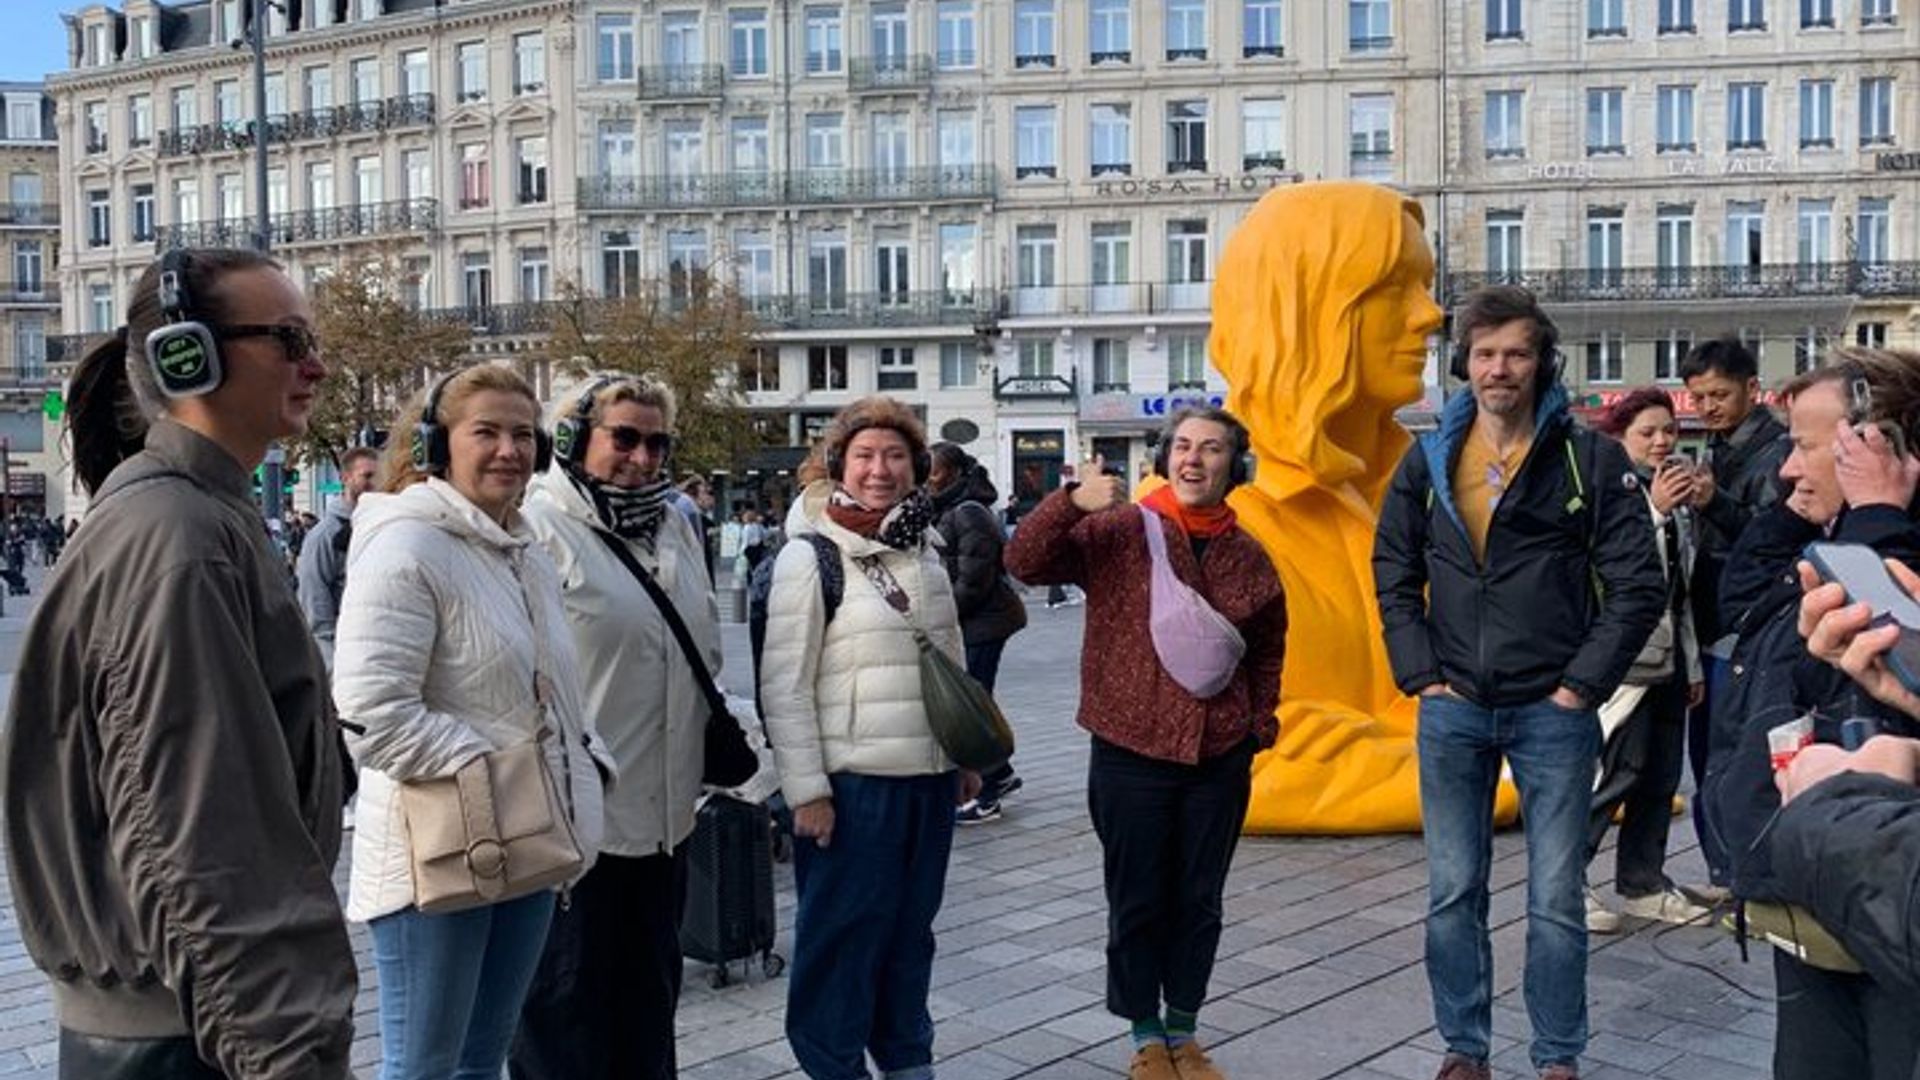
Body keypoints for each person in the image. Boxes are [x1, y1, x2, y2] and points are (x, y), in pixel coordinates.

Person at [2, 248, 354, 1078]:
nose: (317, 363)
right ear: (187, 355)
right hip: (189, 1033)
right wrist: (286, 1054)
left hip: (189, 1018)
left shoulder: (198, 516)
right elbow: (198, 839)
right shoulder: (178, 538)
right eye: (290, 337)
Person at [1372, 286, 1665, 1080]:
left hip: (1552, 709)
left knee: (1556, 899)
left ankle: (1557, 1056)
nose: (1500, 369)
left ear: (1544, 361)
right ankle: (1464, 1048)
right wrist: (1418, 672)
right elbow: (1393, 564)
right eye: (1486, 354)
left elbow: (1639, 583)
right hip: (1453, 705)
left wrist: (1581, 685)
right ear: (1464, 362)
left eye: (1517, 353)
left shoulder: (1588, 456)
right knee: (1451, 891)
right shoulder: (1428, 453)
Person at [333, 363, 611, 1080]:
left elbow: (549, 689)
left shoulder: (522, 550)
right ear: (435, 445)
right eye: (485, 432)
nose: (509, 451)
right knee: (424, 1067)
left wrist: (582, 759)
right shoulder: (404, 544)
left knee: (482, 1061)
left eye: (524, 435)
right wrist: (488, 770)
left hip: (526, 839)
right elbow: (369, 710)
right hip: (435, 854)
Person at [1005, 407, 1288, 1080]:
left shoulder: (1249, 553)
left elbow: (1269, 647)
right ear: (1165, 457)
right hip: (1129, 746)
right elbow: (1024, 559)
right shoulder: (1120, 531)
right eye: (1184, 446)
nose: (1194, 459)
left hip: (1217, 755)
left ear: (1233, 466)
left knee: (1199, 899)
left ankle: (1185, 1031)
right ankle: (1145, 1035)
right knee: (1137, 897)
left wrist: (1258, 724)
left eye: (1212, 449)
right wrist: (1071, 501)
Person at [1703, 348, 1920, 1080]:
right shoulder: (1824, 536)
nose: (1788, 468)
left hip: (1884, 894)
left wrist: (1880, 517)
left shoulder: (1888, 544)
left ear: (1874, 445)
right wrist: (1802, 511)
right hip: (1807, 877)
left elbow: (1878, 652)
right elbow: (1746, 603)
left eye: (1803, 445)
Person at [758, 396, 977, 1080]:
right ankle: (834, 1064)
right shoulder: (811, 556)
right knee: (840, 944)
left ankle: (910, 1062)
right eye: (864, 455)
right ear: (839, 466)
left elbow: (950, 654)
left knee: (909, 941)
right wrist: (807, 792)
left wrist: (964, 755)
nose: (880, 469)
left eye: (894, 455)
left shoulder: (927, 546)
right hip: (853, 790)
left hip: (928, 781)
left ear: (917, 467)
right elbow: (785, 687)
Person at [510, 374, 716, 1080]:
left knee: (649, 1008)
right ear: (570, 437)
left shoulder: (676, 525)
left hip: (665, 822)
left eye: (658, 442)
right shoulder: (534, 526)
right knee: (566, 1015)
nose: (643, 456)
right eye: (623, 437)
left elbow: (704, 652)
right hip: (574, 829)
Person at [1582, 389, 1710, 933]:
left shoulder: (1676, 500)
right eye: (1647, 433)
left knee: (1660, 775)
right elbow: (1619, 576)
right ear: (1620, 437)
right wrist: (1655, 513)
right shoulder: (1610, 493)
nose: (1661, 442)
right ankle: (1568, 881)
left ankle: (1643, 882)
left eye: (1668, 431)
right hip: (1625, 661)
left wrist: (1693, 665)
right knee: (1615, 771)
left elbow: (1679, 589)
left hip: (1668, 659)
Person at [1678, 335, 1790, 885]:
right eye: (1698, 397)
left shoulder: (1776, 451)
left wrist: (1713, 503)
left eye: (1718, 394)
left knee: (1729, 756)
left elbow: (1769, 540)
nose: (1707, 407)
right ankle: (1724, 869)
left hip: (1742, 629)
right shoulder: (1723, 446)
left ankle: (1733, 871)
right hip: (1714, 625)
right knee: (1709, 756)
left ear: (1752, 388)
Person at [928, 442, 1029, 825]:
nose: (928, 480)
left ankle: (984, 795)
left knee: (971, 705)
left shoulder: (969, 512)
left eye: (934, 472)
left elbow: (974, 578)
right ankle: (999, 774)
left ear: (953, 473)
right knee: (976, 699)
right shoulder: (949, 508)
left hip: (982, 621)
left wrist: (941, 613)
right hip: (972, 620)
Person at [296, 444, 381, 669]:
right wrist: (335, 669)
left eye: (380, 476)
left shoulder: (383, 527)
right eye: (367, 475)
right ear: (345, 478)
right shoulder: (323, 537)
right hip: (346, 660)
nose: (375, 483)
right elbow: (315, 608)